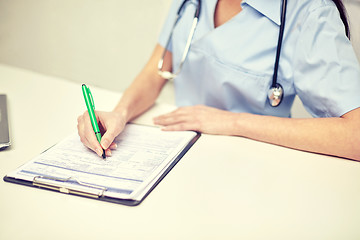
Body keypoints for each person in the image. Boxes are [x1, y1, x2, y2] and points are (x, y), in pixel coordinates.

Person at [77, 0, 360, 161]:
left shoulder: (310, 12)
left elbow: (355, 136)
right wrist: (120, 113)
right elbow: (158, 69)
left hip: (257, 166)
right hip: (175, 152)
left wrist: (231, 122)